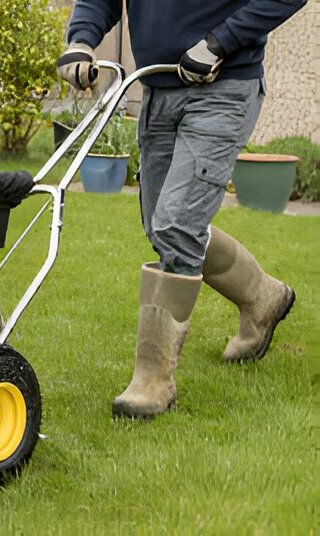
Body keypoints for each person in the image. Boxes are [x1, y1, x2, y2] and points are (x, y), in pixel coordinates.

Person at [56, 0, 306, 418]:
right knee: (163, 226)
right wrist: (82, 39)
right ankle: (263, 297)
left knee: (176, 224)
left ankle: (153, 381)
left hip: (222, 87)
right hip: (158, 88)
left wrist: (220, 43)